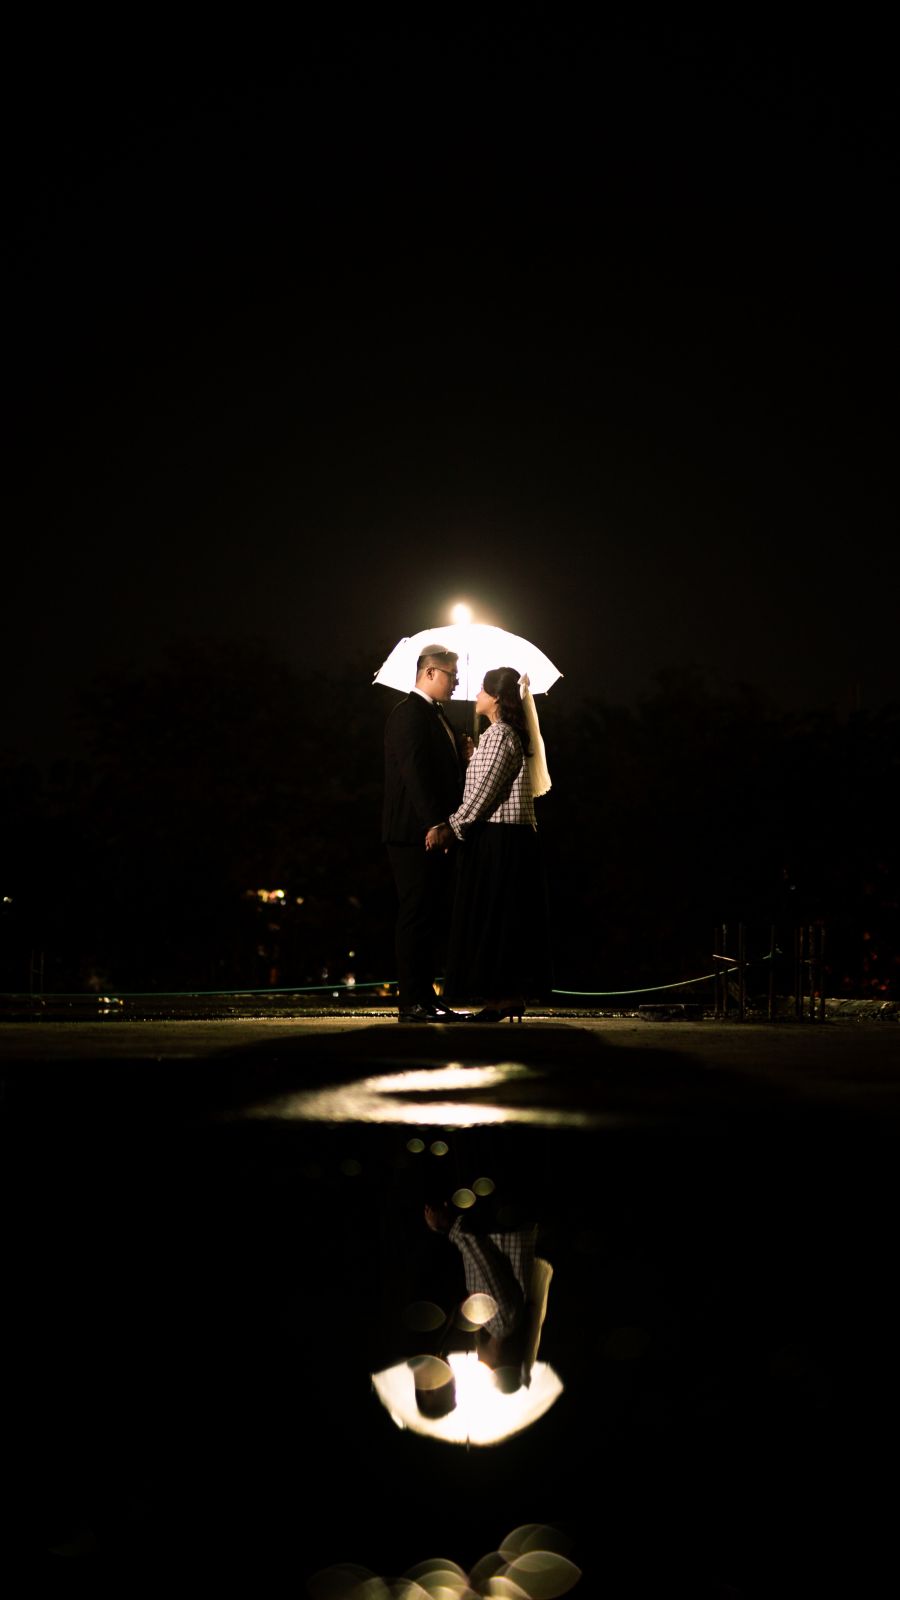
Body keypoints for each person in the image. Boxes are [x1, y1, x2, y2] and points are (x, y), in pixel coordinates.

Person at [425, 666, 552, 1021]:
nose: (476, 696)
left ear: (495, 697)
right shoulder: (498, 736)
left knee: (495, 916)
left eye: (482, 690)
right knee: (501, 916)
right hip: (506, 836)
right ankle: (504, 996)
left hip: (500, 837)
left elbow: (483, 793)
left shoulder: (500, 734)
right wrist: (473, 756)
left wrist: (452, 827)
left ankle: (503, 996)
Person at [382, 645, 468, 1022]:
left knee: (431, 915)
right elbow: (414, 773)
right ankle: (411, 1001)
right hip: (412, 831)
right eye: (452, 675)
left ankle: (426, 998)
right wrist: (435, 822)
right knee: (416, 913)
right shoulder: (408, 713)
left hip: (434, 830)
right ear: (430, 673)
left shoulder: (438, 716)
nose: (457, 682)